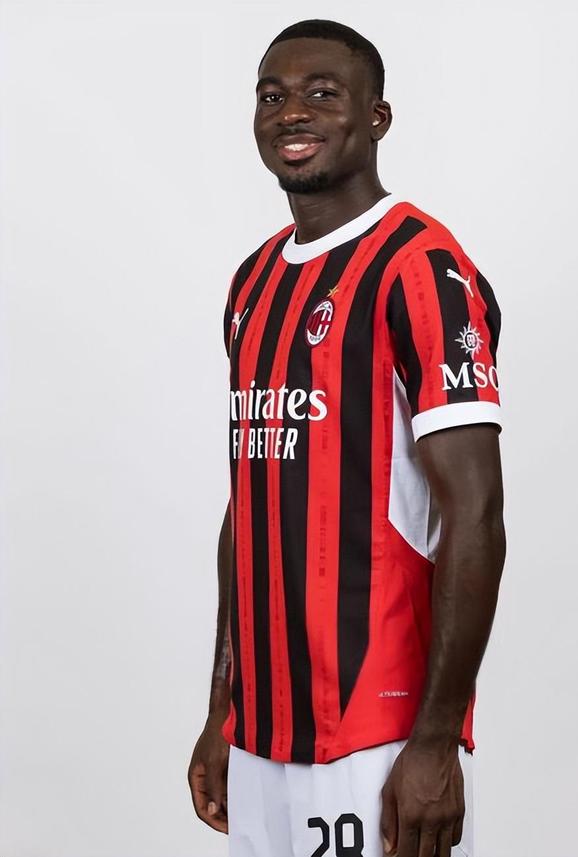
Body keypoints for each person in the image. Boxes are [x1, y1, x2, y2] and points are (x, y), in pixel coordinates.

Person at [188, 19, 506, 857]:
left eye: (322, 93)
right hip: (261, 733)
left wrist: (435, 741)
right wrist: (224, 709)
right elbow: (249, 502)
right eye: (272, 96)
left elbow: (476, 514)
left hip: (379, 736)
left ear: (376, 117)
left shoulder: (422, 267)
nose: (292, 112)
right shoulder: (253, 283)